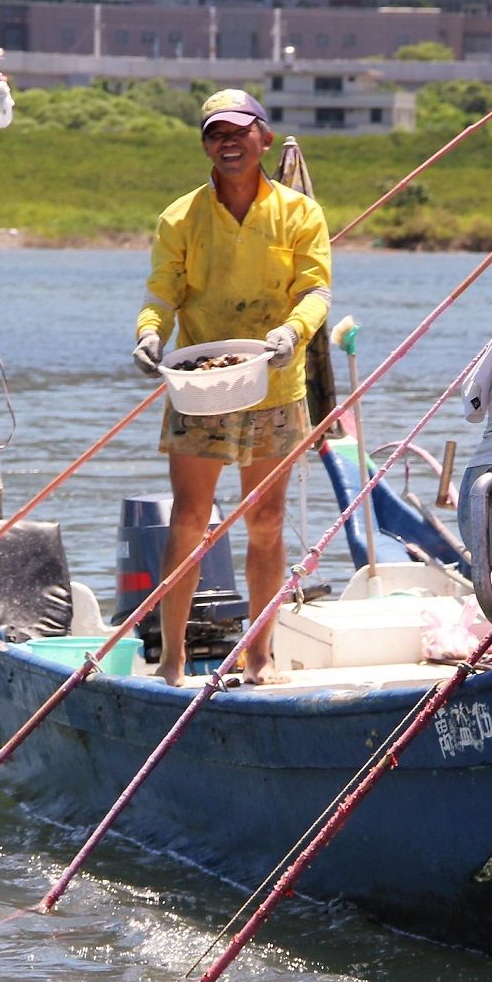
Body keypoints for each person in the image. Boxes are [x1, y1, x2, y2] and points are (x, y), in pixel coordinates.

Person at [131, 89, 332, 685]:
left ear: (264, 139)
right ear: (205, 146)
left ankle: (259, 656)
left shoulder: (300, 213)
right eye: (216, 134)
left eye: (240, 132)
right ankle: (171, 660)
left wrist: (293, 333)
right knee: (189, 519)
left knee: (265, 521)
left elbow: (316, 292)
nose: (229, 142)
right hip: (200, 386)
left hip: (274, 381)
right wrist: (148, 335)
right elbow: (162, 294)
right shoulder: (180, 217)